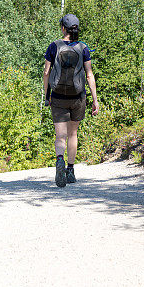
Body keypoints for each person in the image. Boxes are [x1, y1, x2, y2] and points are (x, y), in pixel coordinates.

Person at [43, 13, 99, 188]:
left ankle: (59, 159)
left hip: (58, 96)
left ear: (62, 28)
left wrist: (46, 95)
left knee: (60, 136)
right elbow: (89, 75)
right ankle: (70, 170)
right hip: (77, 97)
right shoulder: (83, 48)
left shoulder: (54, 46)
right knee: (73, 134)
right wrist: (95, 100)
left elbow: (46, 73)